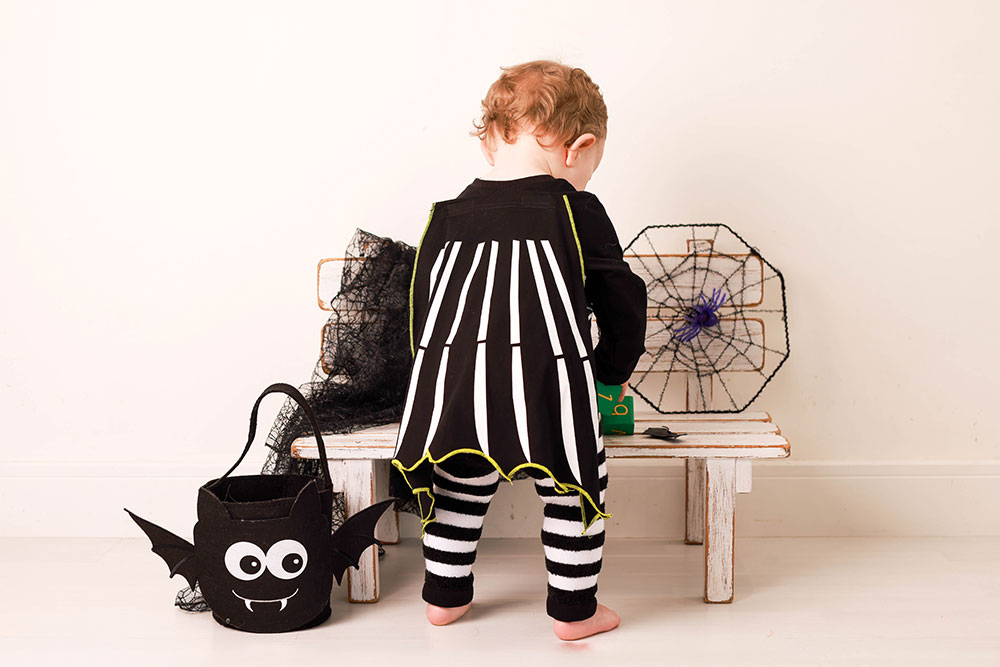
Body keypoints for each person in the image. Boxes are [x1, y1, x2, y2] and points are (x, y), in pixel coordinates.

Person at [390, 59, 647, 641]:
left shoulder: (448, 215)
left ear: (489, 145)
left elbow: (421, 309)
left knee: (458, 482)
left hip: (455, 388)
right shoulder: (576, 209)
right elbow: (623, 301)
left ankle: (445, 597)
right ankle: (574, 612)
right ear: (578, 149)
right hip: (548, 386)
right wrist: (609, 373)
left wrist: (433, 383)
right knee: (574, 485)